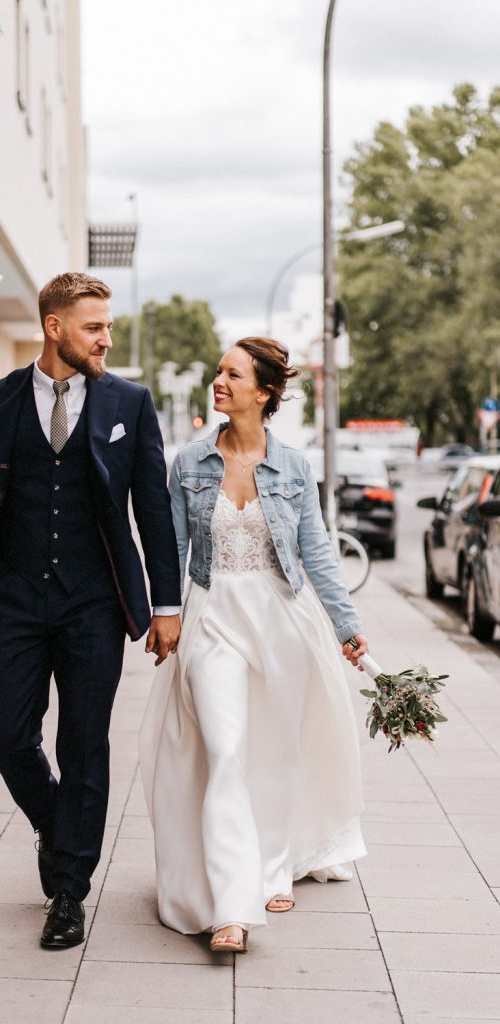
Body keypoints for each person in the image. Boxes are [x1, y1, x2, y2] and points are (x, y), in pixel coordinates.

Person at [0, 272, 181, 949]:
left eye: (107, 326)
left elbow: (153, 512)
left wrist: (163, 605)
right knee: (3, 729)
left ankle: (68, 892)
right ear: (54, 328)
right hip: (16, 599)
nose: (105, 338)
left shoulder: (129, 404)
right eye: (93, 327)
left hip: (93, 603)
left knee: (83, 743)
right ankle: (59, 825)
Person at [140, 337, 368, 954]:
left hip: (283, 622)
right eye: (218, 370)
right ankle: (231, 907)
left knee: (274, 750)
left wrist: (348, 629)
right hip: (212, 616)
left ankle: (271, 865)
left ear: (263, 392)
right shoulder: (187, 461)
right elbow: (170, 548)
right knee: (227, 746)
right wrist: (164, 615)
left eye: (232, 374)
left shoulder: (293, 467)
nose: (219, 381)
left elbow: (317, 553)